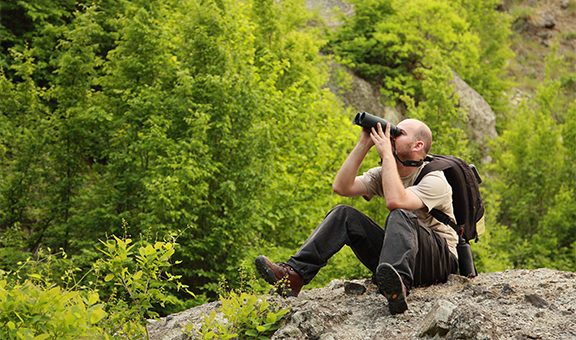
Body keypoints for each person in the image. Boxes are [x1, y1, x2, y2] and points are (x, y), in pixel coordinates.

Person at [255, 118, 458, 315]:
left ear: (418, 145)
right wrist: (363, 143)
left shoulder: (435, 179)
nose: (392, 136)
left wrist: (387, 154)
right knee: (344, 214)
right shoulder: (385, 174)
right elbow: (342, 186)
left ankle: (399, 287)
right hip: (402, 256)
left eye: (399, 133)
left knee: (400, 214)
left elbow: (396, 201)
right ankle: (294, 276)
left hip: (438, 261)